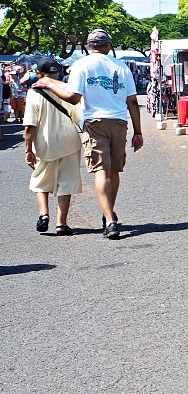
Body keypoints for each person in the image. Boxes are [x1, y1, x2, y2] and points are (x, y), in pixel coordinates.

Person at [34, 29, 143, 239]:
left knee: (101, 170)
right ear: (108, 46)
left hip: (93, 122)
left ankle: (110, 219)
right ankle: (108, 212)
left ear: (88, 45)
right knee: (113, 171)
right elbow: (132, 101)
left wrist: (48, 83)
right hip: (119, 122)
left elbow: (73, 98)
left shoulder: (81, 65)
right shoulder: (122, 67)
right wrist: (138, 131)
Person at [23, 58, 83, 236]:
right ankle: (61, 224)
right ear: (58, 73)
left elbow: (29, 126)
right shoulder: (68, 91)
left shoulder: (33, 93)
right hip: (69, 141)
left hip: (45, 142)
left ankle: (44, 215)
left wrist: (28, 149)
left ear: (39, 74)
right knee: (67, 182)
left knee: (41, 180)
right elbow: (80, 118)